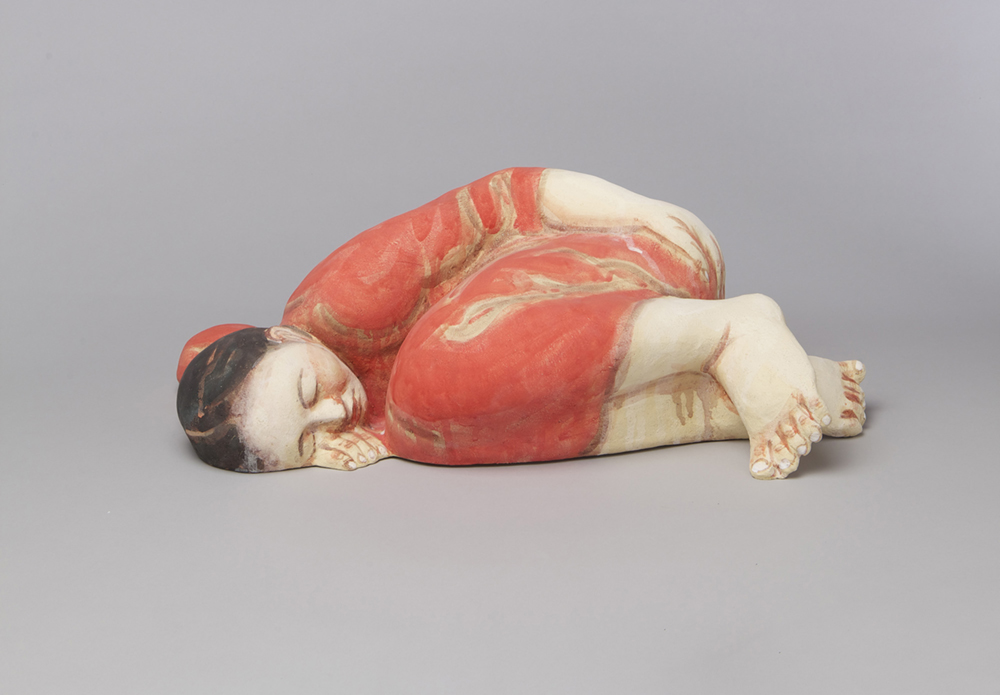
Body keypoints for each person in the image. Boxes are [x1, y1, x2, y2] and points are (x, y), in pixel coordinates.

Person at [176, 168, 866, 479]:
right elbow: (200, 353)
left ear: (286, 335)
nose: (335, 413)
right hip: (593, 308)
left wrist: (645, 218)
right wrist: (366, 438)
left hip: (644, 251)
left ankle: (730, 332)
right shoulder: (279, 384)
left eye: (309, 392)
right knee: (421, 414)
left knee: (429, 389)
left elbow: (509, 197)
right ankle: (717, 401)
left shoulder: (343, 302)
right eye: (309, 442)